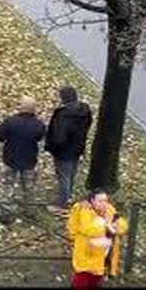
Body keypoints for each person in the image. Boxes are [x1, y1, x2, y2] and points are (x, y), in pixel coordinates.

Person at [0, 96, 47, 221]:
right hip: (29, 160)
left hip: (10, 158)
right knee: (29, 188)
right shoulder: (39, 125)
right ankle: (29, 211)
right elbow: (39, 137)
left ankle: (6, 213)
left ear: (21, 107)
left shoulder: (11, 121)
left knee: (7, 187)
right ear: (34, 109)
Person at [45, 86, 94, 216]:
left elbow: (59, 137)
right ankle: (68, 196)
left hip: (64, 151)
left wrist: (53, 147)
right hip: (77, 147)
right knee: (71, 174)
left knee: (64, 177)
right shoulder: (84, 110)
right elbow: (88, 124)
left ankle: (63, 206)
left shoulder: (63, 115)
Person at [67, 190, 126, 289]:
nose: (104, 203)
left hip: (101, 257)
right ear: (92, 201)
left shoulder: (110, 210)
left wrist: (117, 226)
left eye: (105, 201)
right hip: (85, 252)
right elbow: (86, 228)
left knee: (95, 282)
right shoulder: (81, 209)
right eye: (100, 201)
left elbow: (122, 225)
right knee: (81, 281)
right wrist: (106, 226)